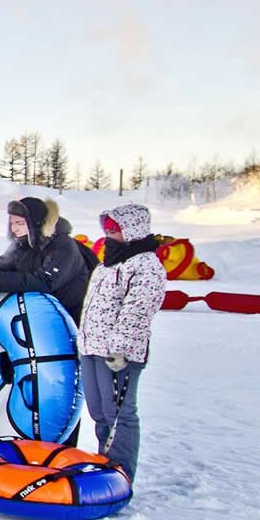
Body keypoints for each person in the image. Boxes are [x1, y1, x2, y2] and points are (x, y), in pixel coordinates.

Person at [78, 204, 165, 480]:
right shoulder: (108, 263)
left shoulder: (146, 265)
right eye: (107, 229)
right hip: (92, 347)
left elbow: (138, 309)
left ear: (133, 229)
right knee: (98, 410)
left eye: (115, 229)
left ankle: (121, 472)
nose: (109, 234)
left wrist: (120, 348)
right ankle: (106, 461)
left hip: (117, 354)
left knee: (119, 414)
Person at [0, 197, 91, 324]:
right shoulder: (23, 243)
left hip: (70, 320)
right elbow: (4, 265)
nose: (14, 229)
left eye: (20, 223)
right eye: (12, 223)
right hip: (38, 315)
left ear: (35, 222)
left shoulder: (63, 245)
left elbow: (45, 281)